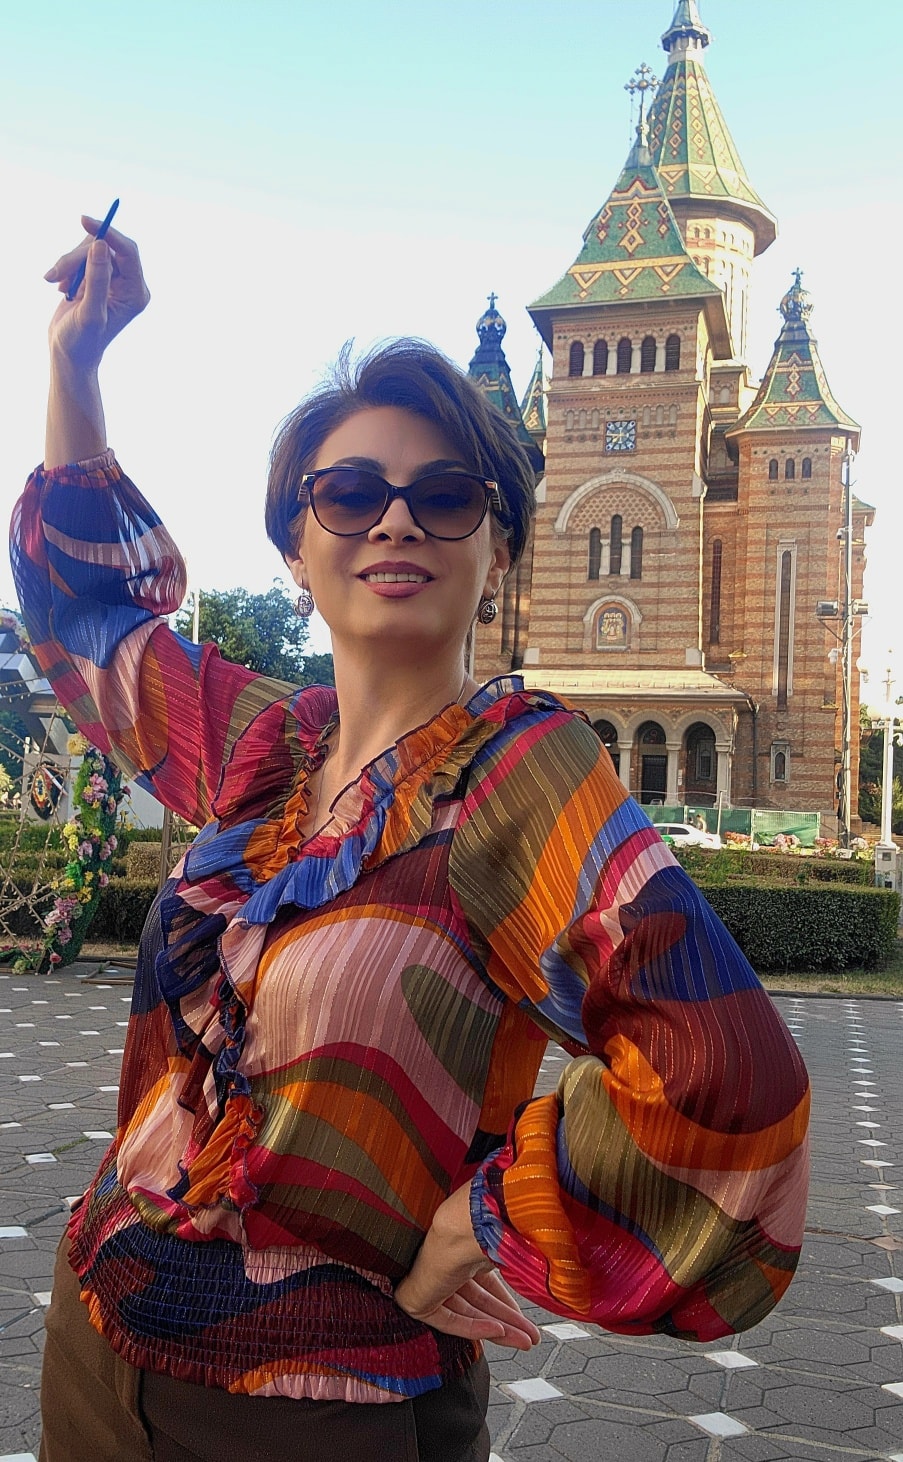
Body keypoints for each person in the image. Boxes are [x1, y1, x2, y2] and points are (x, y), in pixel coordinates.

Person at [11, 218, 811, 1462]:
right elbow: (89, 619)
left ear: (499, 550)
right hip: (98, 1337)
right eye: (349, 493)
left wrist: (493, 1221)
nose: (396, 522)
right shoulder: (269, 747)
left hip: (312, 1411)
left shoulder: (514, 774)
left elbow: (726, 1078)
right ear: (298, 548)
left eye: (445, 497)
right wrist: (76, 362)